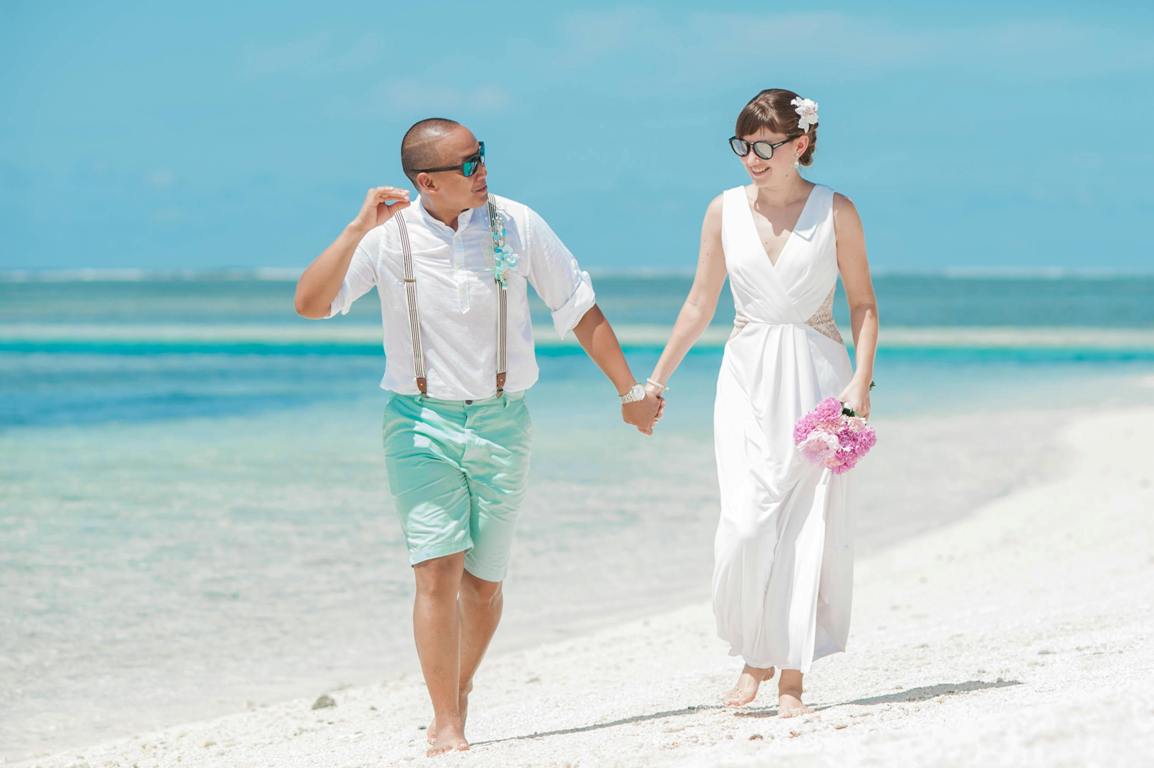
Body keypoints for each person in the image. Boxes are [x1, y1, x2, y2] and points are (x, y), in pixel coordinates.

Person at [293, 118, 662, 756]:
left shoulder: (516, 223)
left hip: (502, 421)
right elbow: (310, 303)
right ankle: (447, 722)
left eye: (482, 156)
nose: (482, 169)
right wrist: (358, 229)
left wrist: (630, 392)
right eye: (467, 164)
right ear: (425, 182)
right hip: (418, 422)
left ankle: (457, 689)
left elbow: (577, 306)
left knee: (483, 586)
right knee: (436, 569)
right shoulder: (387, 240)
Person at [646, 89, 879, 716]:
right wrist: (657, 379)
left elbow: (862, 303)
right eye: (742, 146)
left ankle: (792, 678)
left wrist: (860, 383)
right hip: (746, 376)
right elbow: (700, 303)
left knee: (808, 529)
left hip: (818, 378)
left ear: (799, 144)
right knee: (746, 527)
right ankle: (752, 653)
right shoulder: (723, 211)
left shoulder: (837, 211)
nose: (751, 158)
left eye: (764, 147)